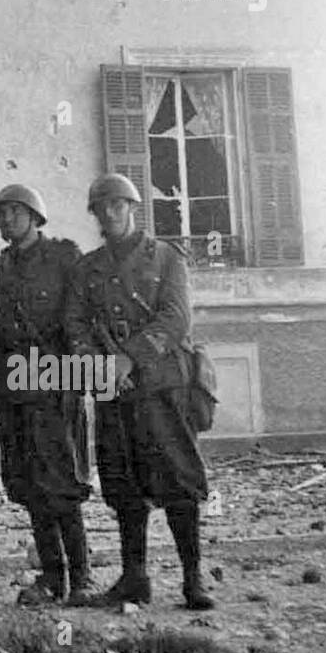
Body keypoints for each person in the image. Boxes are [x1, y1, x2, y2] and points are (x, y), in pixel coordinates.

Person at [64, 173, 215, 610]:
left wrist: (128, 358)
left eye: (117, 205)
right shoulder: (86, 268)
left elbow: (175, 318)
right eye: (101, 208)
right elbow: (74, 324)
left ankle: (193, 578)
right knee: (123, 482)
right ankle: (135, 577)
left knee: (177, 480)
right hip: (113, 389)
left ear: (132, 209)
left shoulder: (167, 257)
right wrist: (101, 364)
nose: (109, 214)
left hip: (162, 385)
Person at [0, 184, 93, 606]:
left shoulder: (65, 256)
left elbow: (80, 317)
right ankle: (51, 577)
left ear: (35, 215)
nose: (7, 220)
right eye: (2, 215)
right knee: (30, 483)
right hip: (15, 380)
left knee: (62, 481)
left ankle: (82, 578)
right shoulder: (4, 263)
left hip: (55, 376)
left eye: (15, 212)